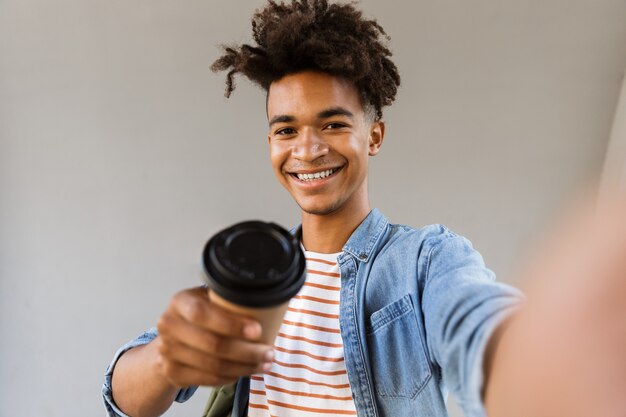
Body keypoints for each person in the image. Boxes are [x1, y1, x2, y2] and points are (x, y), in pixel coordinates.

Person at [102, 1, 626, 417]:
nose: (307, 150)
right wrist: (169, 359)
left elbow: (475, 324)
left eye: (332, 124)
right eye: (286, 129)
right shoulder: (252, 272)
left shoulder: (424, 262)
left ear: (373, 136)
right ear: (269, 142)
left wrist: (540, 358)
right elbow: (122, 398)